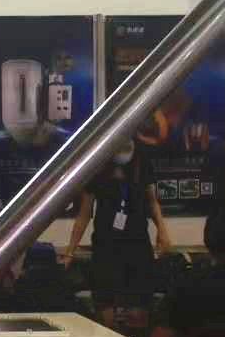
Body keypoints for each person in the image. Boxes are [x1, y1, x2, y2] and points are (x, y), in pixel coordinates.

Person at [62, 139, 172, 324]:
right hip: (106, 247)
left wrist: (162, 231)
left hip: (137, 245)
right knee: (106, 315)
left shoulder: (142, 158)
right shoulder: (97, 161)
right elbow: (85, 212)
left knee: (138, 313)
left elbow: (152, 201)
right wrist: (70, 251)